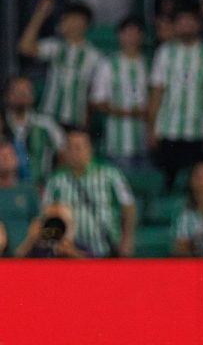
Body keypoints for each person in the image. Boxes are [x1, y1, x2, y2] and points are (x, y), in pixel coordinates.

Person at [147, 4, 203, 185]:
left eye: (190, 21)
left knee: (197, 181)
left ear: (199, 25)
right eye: (181, 21)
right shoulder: (164, 53)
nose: (186, 25)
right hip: (168, 129)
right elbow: (157, 92)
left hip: (199, 130)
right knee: (169, 182)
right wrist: (151, 128)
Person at [42, 130, 136, 258]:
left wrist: (127, 239)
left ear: (89, 149)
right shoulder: (55, 180)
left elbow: (128, 206)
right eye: (70, 148)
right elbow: (46, 213)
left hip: (105, 249)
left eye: (79, 147)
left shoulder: (110, 174)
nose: (75, 152)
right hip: (70, 253)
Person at [17, 0, 103, 130]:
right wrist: (39, 15)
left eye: (75, 19)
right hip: (49, 118)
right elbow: (25, 48)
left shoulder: (94, 56)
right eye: (66, 19)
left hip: (76, 120)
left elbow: (94, 91)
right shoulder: (55, 47)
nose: (70, 23)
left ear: (85, 23)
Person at [90, 17, 150, 171]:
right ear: (119, 36)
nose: (131, 38)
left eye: (135, 33)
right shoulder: (108, 65)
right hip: (117, 144)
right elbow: (98, 102)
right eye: (127, 33)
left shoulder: (149, 64)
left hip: (147, 142)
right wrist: (128, 113)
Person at [2, 76, 65, 186]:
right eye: (17, 91)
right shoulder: (1, 124)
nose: (22, 95)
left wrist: (52, 181)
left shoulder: (46, 124)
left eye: (26, 91)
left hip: (41, 186)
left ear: (33, 96)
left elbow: (63, 154)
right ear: (6, 95)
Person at [0, 142, 39, 255]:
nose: (6, 159)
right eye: (1, 156)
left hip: (28, 252)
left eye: (9, 155)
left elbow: (37, 222)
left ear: (17, 160)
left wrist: (24, 249)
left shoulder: (28, 190)